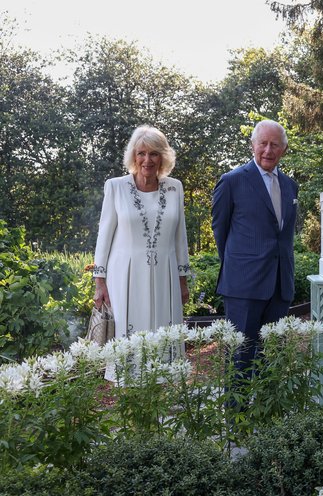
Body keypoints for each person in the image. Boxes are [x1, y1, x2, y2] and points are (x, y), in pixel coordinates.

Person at [93, 125, 191, 380]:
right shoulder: (115, 187)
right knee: (129, 334)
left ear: (163, 157)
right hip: (124, 275)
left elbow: (180, 236)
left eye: (154, 154)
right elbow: (104, 234)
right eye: (141, 153)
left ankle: (162, 388)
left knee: (164, 331)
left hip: (166, 275)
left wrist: (183, 280)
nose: (147, 160)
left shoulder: (175, 188)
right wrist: (99, 282)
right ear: (133, 156)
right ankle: (130, 395)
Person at [211, 119, 298, 376]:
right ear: (252, 146)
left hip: (280, 285)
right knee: (240, 357)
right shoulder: (232, 181)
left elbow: (284, 234)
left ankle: (269, 416)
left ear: (283, 149)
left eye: (275, 145)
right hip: (243, 286)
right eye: (263, 144)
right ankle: (237, 417)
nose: (268, 151)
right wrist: (240, 266)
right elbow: (220, 231)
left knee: (273, 357)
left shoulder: (290, 186)